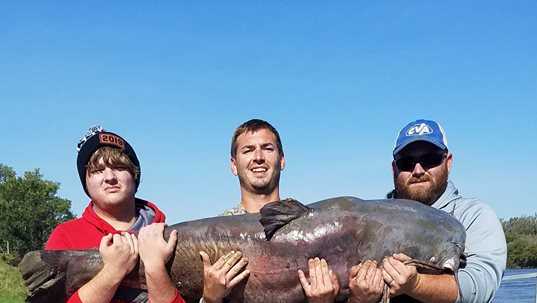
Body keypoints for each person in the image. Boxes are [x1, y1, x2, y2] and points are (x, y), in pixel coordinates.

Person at [350, 119, 506, 303]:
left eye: (429, 159)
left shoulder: (474, 216)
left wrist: (416, 284)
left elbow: (479, 288)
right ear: (394, 169)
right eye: (406, 162)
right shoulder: (369, 221)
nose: (418, 170)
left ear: (448, 162)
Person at [199, 119, 340, 303]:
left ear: (282, 160)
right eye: (248, 150)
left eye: (267, 148)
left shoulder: (311, 227)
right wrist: (209, 299)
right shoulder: (214, 236)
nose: (258, 156)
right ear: (233, 165)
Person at [46, 126, 185, 303]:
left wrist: (155, 268)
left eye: (119, 167)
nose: (110, 177)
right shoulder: (66, 237)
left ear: (134, 177)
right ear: (86, 184)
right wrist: (113, 272)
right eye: (97, 170)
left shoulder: (166, 235)